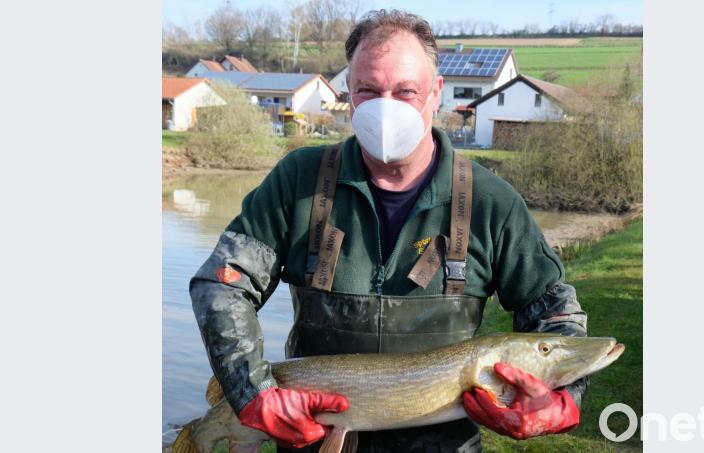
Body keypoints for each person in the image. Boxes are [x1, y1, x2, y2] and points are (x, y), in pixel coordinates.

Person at [190, 9, 588, 452]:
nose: (386, 107)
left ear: (435, 93)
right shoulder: (298, 181)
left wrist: (563, 398)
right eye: (369, 90)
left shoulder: (491, 202)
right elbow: (221, 284)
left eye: (405, 91)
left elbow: (556, 318)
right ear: (348, 95)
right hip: (313, 440)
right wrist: (252, 391)